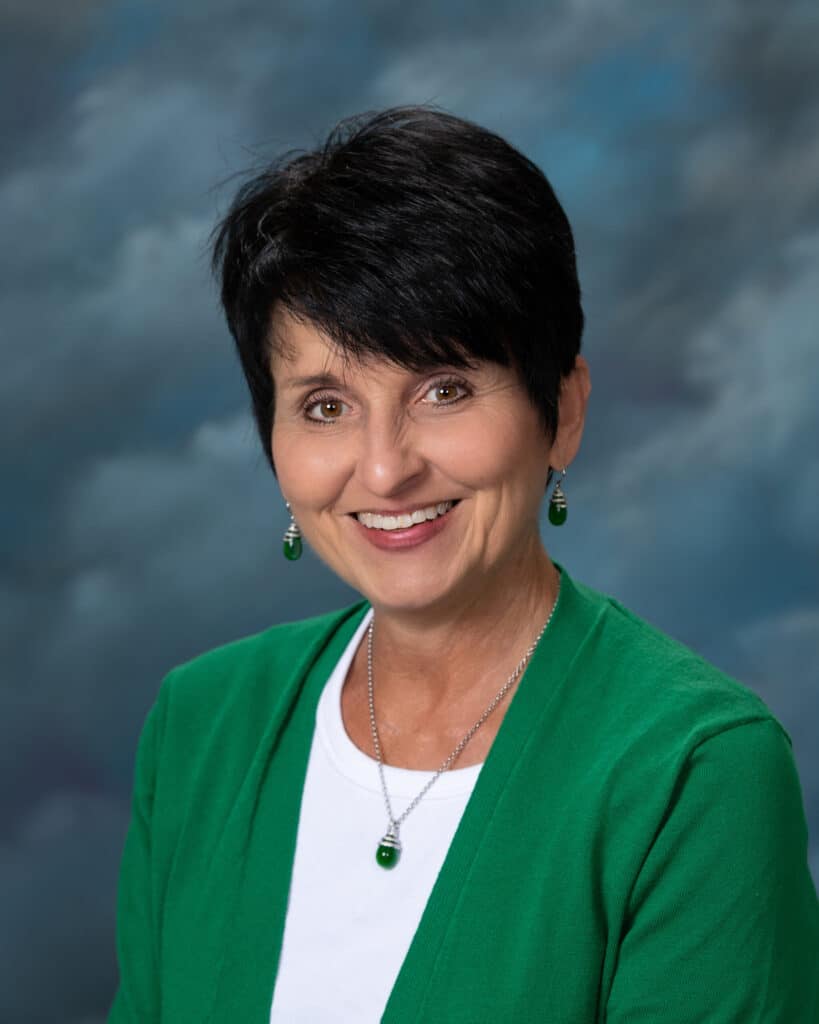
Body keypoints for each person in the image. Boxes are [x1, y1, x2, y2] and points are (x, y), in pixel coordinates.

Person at [108, 105, 819, 1023]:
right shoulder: (201, 725)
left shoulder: (694, 771)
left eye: (443, 390)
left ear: (561, 410)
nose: (384, 469)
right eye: (325, 406)